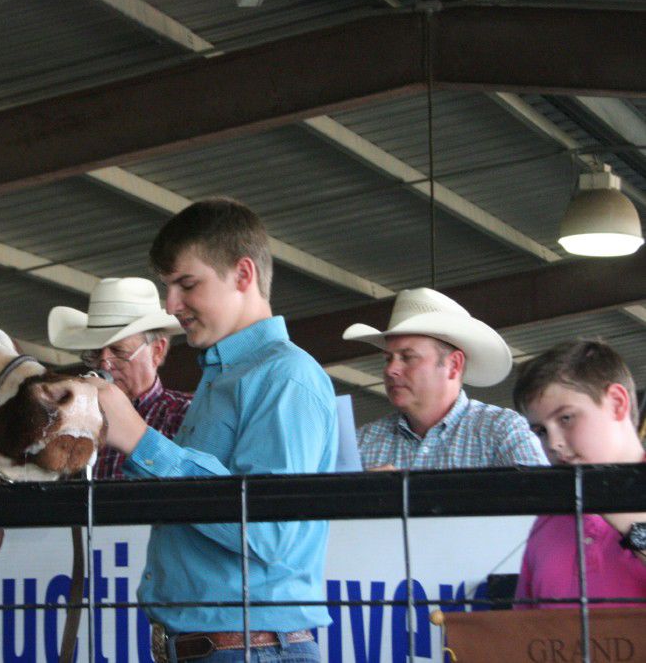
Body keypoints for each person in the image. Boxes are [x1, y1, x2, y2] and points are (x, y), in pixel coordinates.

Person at [87, 198, 338, 663]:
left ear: (243, 275)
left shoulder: (286, 377)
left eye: (187, 284)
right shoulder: (224, 377)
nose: (172, 305)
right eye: (169, 287)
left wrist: (140, 441)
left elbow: (269, 529)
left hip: (250, 647)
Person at [343, 287, 547, 470]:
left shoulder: (501, 430)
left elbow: (545, 503)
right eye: (388, 359)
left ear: (453, 365)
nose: (391, 370)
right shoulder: (362, 441)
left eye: (408, 357)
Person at [512, 339, 646, 608]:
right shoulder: (547, 521)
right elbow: (523, 633)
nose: (553, 443)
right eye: (540, 431)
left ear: (617, 403)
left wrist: (634, 529)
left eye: (566, 418)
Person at [48, 277, 191, 479]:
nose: (104, 364)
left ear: (157, 351)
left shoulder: (185, 415)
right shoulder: (72, 420)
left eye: (119, 351)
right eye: (96, 353)